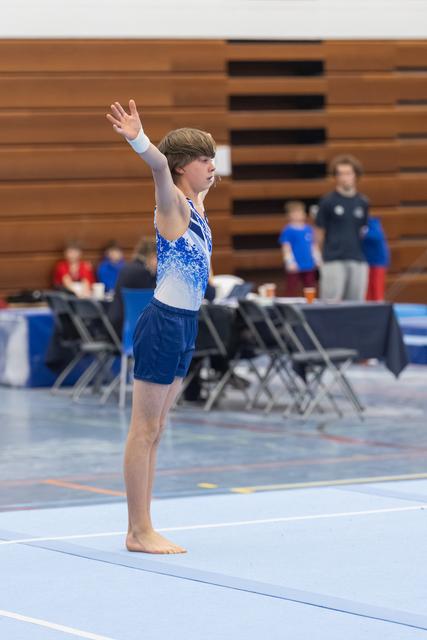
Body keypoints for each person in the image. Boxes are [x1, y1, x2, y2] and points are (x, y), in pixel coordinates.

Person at [106, 99, 214, 554]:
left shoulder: (197, 204)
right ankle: (138, 530)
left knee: (159, 428)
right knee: (144, 428)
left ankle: (144, 525)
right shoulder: (171, 205)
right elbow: (156, 166)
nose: (213, 166)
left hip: (187, 322)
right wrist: (139, 138)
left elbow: (200, 184)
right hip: (165, 321)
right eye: (205, 160)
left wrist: (203, 183)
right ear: (182, 167)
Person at [315, 155, 369, 301]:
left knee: (357, 304)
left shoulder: (362, 202)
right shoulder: (328, 201)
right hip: (333, 258)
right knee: (332, 303)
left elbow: (362, 230)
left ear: (355, 175)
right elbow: (319, 231)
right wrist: (319, 257)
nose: (344, 177)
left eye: (348, 173)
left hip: (357, 258)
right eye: (340, 173)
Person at [108, 238, 157, 337]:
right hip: (130, 325)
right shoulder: (142, 272)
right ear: (151, 255)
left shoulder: (128, 267)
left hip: (118, 321)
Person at [279, 200, 321, 297]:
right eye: (295, 213)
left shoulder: (309, 229)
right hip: (295, 265)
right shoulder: (288, 230)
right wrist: (289, 261)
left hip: (308, 264)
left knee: (310, 286)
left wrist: (317, 258)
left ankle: (310, 303)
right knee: (291, 287)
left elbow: (313, 245)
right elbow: (286, 247)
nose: (298, 215)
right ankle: (289, 305)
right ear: (289, 215)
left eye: (300, 212)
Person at [362, 216, 390, 301]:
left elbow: (376, 236)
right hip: (366, 262)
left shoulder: (372, 223)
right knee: (367, 292)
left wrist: (362, 233)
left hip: (377, 262)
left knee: (377, 289)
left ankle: (379, 308)